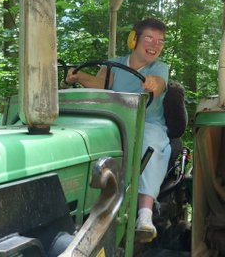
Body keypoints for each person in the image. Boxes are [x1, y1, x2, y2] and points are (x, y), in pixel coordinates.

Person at [66, 18, 169, 243]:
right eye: (149, 38)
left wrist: (153, 83)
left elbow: (159, 84)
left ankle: (144, 214)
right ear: (134, 39)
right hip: (112, 121)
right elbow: (99, 84)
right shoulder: (114, 64)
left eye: (160, 41)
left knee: (152, 143)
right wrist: (78, 76)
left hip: (146, 122)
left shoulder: (159, 68)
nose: (155, 45)